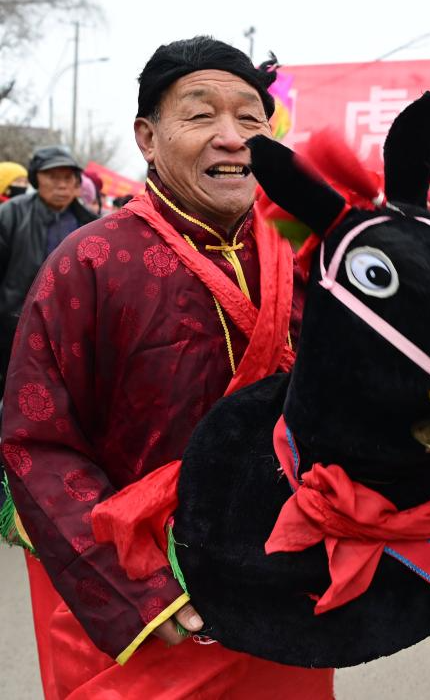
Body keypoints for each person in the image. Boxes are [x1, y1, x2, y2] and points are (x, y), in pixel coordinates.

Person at [0, 36, 333, 699]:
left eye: (250, 118)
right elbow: (37, 442)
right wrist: (139, 591)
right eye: (201, 115)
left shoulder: (308, 256)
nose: (232, 137)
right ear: (147, 139)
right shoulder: (89, 262)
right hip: (147, 614)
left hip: (280, 595)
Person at [0, 146, 96, 392]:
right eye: (53, 177)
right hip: (14, 326)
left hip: (69, 332)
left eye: (68, 178)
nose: (62, 185)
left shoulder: (90, 224)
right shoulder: (10, 214)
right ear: (36, 179)